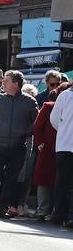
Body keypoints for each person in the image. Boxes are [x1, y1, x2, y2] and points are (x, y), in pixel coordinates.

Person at [0, 70, 38, 219]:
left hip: (18, 146)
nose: (3, 83)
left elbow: (36, 122)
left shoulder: (29, 101)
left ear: (16, 84)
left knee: (11, 179)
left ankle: (2, 209)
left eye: (6, 81)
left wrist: (26, 132)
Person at [32, 91, 59, 221]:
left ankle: (56, 211)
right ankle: (42, 210)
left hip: (64, 149)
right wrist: (40, 143)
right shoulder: (48, 106)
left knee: (60, 180)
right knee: (43, 179)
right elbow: (37, 127)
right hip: (48, 149)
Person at [49, 82, 73, 228]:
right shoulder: (65, 96)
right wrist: (66, 130)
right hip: (65, 146)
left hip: (65, 144)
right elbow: (55, 119)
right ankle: (59, 214)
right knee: (62, 182)